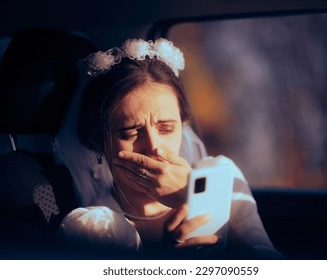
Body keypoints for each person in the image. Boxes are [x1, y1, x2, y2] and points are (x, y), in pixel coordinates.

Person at [58, 38, 282, 259]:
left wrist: (201, 203)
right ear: (99, 141)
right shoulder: (95, 228)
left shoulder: (220, 181)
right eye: (129, 133)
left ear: (182, 127)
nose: (154, 148)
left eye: (165, 128)